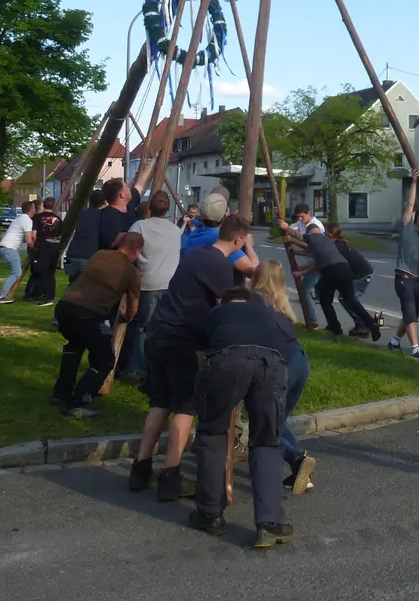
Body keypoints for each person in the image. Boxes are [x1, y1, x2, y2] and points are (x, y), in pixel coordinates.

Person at [128, 214, 244, 501]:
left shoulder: (195, 254)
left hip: (159, 331)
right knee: (184, 407)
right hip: (182, 339)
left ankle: (140, 469)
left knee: (159, 402)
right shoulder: (220, 265)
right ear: (239, 240)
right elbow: (223, 309)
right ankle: (171, 476)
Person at [186, 280, 296, 547]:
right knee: (267, 440)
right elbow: (289, 349)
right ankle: (269, 523)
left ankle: (210, 514)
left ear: (224, 302)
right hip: (272, 365)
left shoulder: (217, 313)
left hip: (227, 361)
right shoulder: (270, 314)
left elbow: (201, 351)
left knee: (213, 433)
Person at [52, 232, 143, 418]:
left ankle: (61, 392)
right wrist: (126, 317)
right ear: (137, 251)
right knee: (105, 360)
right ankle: (76, 403)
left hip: (65, 307)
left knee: (75, 345)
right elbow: (133, 308)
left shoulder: (100, 254)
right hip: (88, 314)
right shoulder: (131, 273)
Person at [249, 260, 317, 494]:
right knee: (279, 421)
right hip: (300, 361)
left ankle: (297, 459)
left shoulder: (255, 300)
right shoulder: (281, 302)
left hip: (281, 367)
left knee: (264, 425)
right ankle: (302, 472)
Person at [120, 191, 183, 385]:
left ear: (149, 208)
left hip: (146, 283)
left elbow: (127, 249)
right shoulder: (174, 230)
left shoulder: (139, 226)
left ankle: (137, 368)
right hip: (169, 284)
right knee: (160, 329)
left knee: (140, 328)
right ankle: (158, 369)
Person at [279, 221, 380, 340]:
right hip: (345, 270)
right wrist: (293, 245)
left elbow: (299, 236)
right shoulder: (327, 242)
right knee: (351, 300)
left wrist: (286, 228)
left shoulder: (316, 236)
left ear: (311, 233)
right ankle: (371, 324)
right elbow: (309, 250)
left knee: (325, 299)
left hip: (332, 271)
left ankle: (335, 327)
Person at [390, 170, 419, 358]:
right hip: (403, 278)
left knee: (412, 315)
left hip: (418, 280)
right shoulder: (407, 227)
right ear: (418, 219)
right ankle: (415, 349)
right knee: (409, 313)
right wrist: (415, 183)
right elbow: (410, 204)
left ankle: (394, 342)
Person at [182, 186, 260, 280]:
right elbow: (253, 270)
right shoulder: (219, 238)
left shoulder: (193, 234)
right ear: (225, 214)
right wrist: (248, 244)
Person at [327, 224, 376, 334]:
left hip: (362, 274)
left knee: (348, 299)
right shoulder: (339, 243)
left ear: (330, 234)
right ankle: (363, 323)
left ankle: (362, 325)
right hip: (360, 273)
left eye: (325, 233)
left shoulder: (336, 247)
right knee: (348, 298)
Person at [284, 204, 327, 330]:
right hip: (313, 259)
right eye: (298, 217)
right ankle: (325, 323)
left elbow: (310, 247)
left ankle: (312, 321)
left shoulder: (316, 226)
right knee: (323, 296)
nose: (300, 220)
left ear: (309, 213)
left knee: (305, 289)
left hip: (318, 262)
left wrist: (293, 239)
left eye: (302, 216)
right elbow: (290, 228)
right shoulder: (301, 223)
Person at [23, 197, 64, 305]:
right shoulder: (58, 219)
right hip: (55, 247)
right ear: (53, 206)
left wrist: (33, 246)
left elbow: (33, 235)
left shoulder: (38, 218)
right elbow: (60, 234)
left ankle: (41, 295)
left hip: (43, 247)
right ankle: (50, 296)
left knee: (41, 271)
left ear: (44, 205)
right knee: (51, 272)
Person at [0, 200, 36, 303]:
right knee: (16, 272)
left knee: (15, 272)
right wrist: (35, 247)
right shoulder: (27, 220)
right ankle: (2, 296)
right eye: (34, 207)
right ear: (31, 209)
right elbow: (28, 240)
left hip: (5, 247)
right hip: (9, 248)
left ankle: (5, 295)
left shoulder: (19, 218)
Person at [65, 190, 107, 282]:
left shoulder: (82, 214)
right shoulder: (104, 215)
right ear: (104, 202)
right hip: (89, 256)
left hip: (73, 254)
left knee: (74, 285)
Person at [97, 178, 142, 251]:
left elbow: (140, 185)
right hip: (116, 260)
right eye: (127, 187)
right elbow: (113, 242)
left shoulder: (129, 207)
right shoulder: (108, 217)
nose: (129, 188)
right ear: (122, 195)